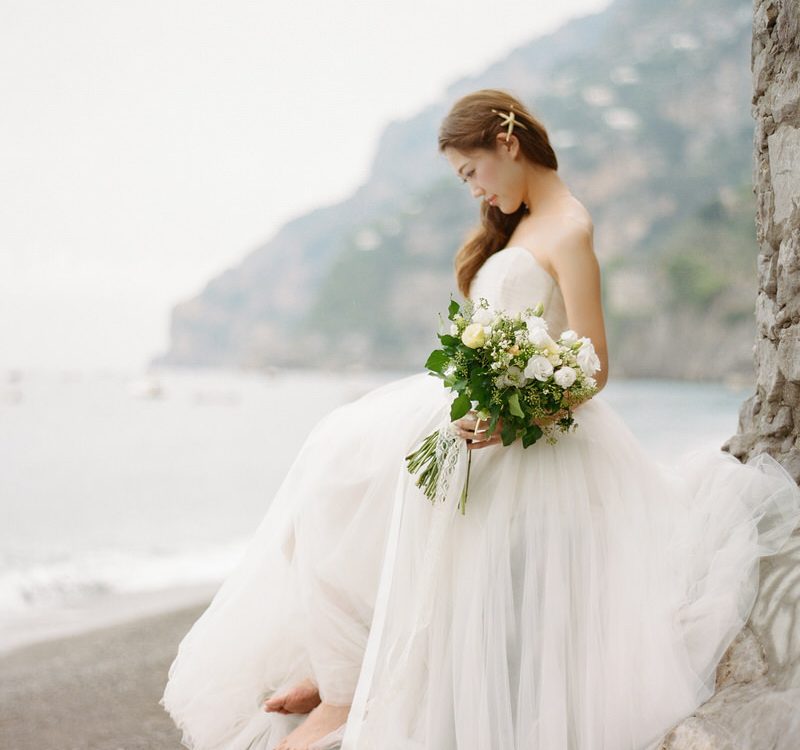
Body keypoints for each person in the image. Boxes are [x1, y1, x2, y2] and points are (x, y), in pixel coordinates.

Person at [160, 89, 800, 750]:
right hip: (475, 415)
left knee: (362, 493)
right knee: (334, 485)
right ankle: (336, 668)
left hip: (526, 431)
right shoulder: (518, 226)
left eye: (471, 172)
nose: (472, 191)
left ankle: (346, 684)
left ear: (507, 142)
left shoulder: (569, 226)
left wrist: (519, 414)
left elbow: (596, 361)